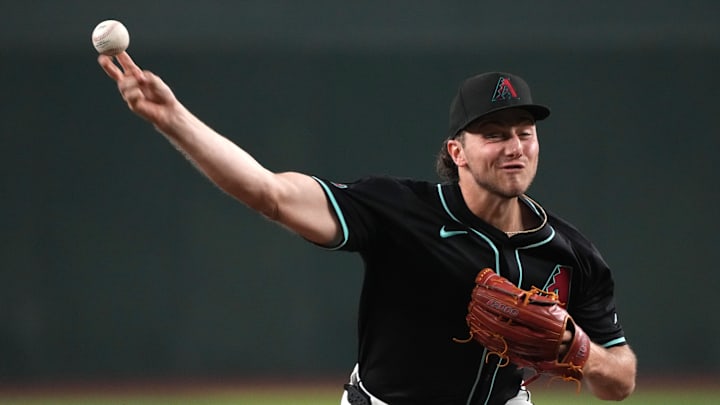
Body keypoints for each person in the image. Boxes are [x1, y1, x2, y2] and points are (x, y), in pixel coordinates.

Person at [98, 52, 637, 405]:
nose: (515, 147)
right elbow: (269, 192)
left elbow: (621, 379)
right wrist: (172, 119)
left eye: (525, 133)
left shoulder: (570, 253)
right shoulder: (400, 211)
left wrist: (577, 348)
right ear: (458, 152)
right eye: (495, 135)